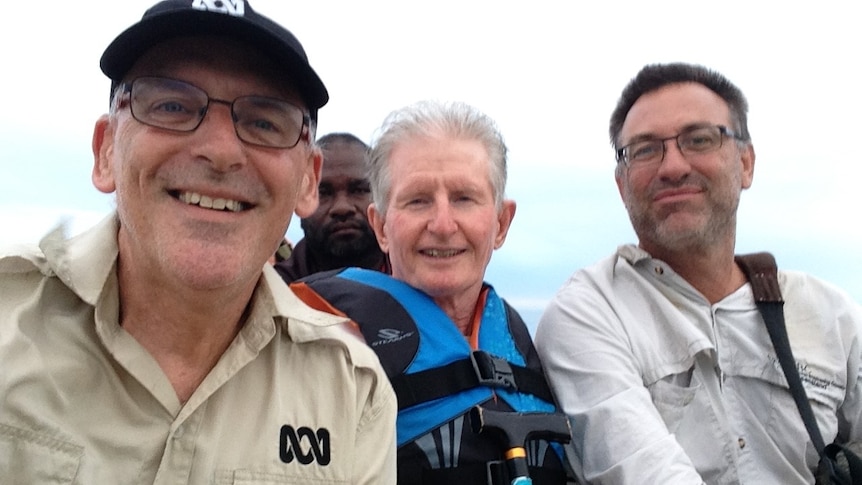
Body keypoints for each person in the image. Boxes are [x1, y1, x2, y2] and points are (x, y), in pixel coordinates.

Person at [0, 1, 396, 483]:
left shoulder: (353, 388)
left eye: (264, 122)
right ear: (106, 151)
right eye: (170, 105)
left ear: (306, 182)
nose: (222, 151)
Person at [534, 62, 862, 484]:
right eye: (646, 149)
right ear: (622, 184)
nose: (672, 166)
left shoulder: (829, 313)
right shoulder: (590, 312)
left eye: (699, 139)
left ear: (746, 163)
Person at [290, 100, 576, 484]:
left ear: (501, 223)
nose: (442, 224)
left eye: (464, 198)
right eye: (418, 200)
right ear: (381, 227)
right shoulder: (320, 336)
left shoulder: (533, 343)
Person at [275, 132, 388, 281]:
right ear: (299, 200)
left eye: (359, 190)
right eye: (323, 193)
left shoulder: (422, 283)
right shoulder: (267, 295)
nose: (342, 208)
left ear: (385, 195)